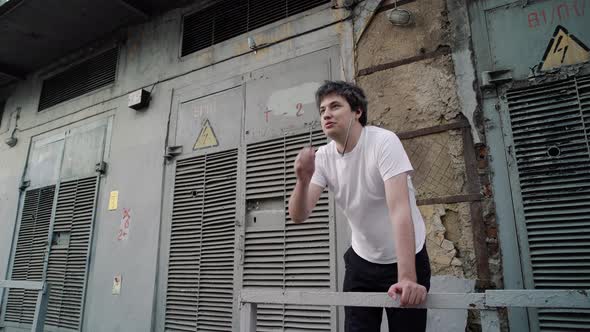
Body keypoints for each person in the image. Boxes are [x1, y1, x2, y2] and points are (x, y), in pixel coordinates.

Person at [288, 80, 431, 332]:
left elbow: (399, 211)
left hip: (407, 259)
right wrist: (302, 180)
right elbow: (299, 215)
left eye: (335, 106)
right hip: (362, 262)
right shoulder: (322, 157)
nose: (327, 114)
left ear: (357, 112)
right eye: (322, 110)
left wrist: (407, 278)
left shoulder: (383, 142)